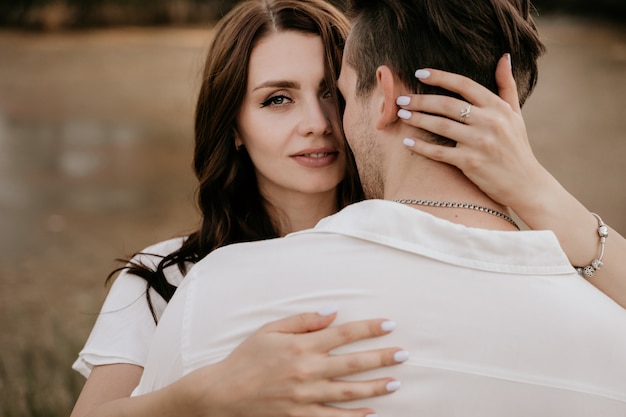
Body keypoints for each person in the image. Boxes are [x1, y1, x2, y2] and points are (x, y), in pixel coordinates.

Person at [72, 0, 626, 415]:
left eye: (331, 93)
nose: (316, 120)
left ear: (371, 96)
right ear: (233, 126)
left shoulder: (429, 247)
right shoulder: (174, 274)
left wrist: (534, 187)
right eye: (277, 99)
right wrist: (201, 393)